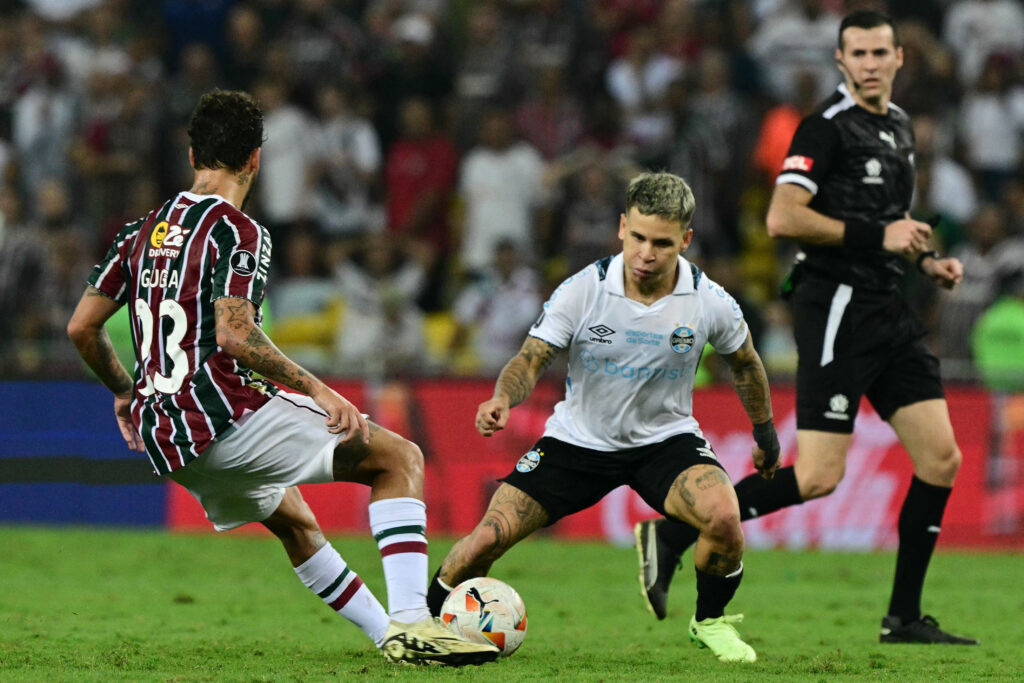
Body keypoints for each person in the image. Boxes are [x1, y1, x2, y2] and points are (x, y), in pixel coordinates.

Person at [65, 90, 499, 667]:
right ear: (255, 159)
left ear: (192, 155)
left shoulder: (140, 232)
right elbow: (235, 335)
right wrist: (318, 388)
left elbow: (81, 327)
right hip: (222, 417)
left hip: (167, 440)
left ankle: (389, 639)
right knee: (399, 459)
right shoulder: (238, 231)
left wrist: (125, 390)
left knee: (293, 521)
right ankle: (415, 623)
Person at [634, 11, 978, 646]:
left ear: (899, 57)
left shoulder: (899, 126)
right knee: (819, 475)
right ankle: (673, 532)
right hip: (838, 304)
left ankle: (903, 618)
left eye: (880, 52)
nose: (870, 64)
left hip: (886, 305)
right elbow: (782, 217)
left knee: (941, 459)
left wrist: (927, 258)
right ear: (840, 61)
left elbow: (889, 216)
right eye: (858, 54)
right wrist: (881, 236)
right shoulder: (826, 127)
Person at [425, 171, 782, 664]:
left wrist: (765, 433)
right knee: (486, 539)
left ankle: (710, 622)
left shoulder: (708, 300)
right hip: (578, 443)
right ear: (621, 227)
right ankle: (424, 624)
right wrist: (503, 398)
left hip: (664, 442)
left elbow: (745, 363)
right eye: (638, 238)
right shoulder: (583, 289)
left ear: (685, 240)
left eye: (662, 243)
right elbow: (532, 358)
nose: (646, 254)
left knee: (724, 516)